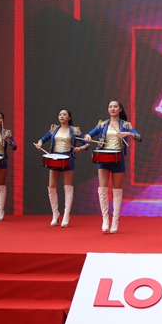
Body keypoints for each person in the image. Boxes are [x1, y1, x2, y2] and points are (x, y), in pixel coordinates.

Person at [84, 100, 142, 234]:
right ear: (108, 109)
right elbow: (90, 134)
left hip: (118, 158)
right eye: (110, 107)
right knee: (103, 188)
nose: (112, 109)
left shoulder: (126, 125)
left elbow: (140, 137)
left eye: (115, 106)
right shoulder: (102, 124)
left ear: (120, 109)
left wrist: (129, 134)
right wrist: (87, 136)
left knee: (117, 190)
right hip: (103, 157)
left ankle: (115, 220)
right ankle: (105, 219)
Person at [34, 109, 90, 228]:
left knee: (68, 187)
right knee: (51, 187)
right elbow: (43, 139)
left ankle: (66, 215)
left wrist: (81, 148)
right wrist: (39, 143)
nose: (62, 116)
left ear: (69, 117)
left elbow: (87, 144)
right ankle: (55, 213)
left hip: (68, 158)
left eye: (64, 114)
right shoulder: (54, 129)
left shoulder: (74, 130)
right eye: (60, 114)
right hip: (54, 158)